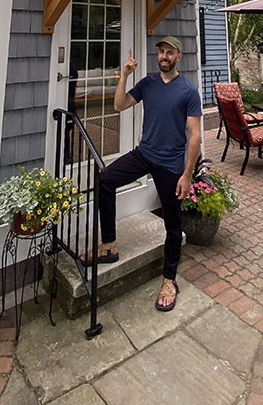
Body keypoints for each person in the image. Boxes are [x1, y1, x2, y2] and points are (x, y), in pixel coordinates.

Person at [81, 36, 202, 311]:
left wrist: (186, 175)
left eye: (169, 52)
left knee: (173, 223)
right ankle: (109, 245)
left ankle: (169, 279)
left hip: (171, 165)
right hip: (144, 154)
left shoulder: (188, 91)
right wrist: (124, 75)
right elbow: (119, 105)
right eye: (161, 52)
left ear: (178, 57)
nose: (164, 56)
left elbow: (194, 137)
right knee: (105, 180)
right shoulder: (148, 83)